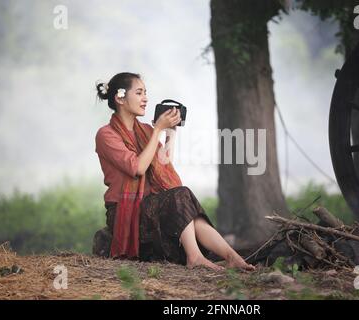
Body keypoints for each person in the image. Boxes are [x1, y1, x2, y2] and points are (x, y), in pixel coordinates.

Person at [94, 72, 255, 271]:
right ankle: (194, 257)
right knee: (181, 195)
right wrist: (158, 130)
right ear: (120, 98)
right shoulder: (106, 135)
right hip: (125, 211)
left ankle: (232, 256)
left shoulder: (144, 130)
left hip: (151, 206)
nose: (145, 98)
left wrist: (170, 132)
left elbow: (163, 161)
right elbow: (137, 168)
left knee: (188, 209)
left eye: (146, 92)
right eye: (139, 93)